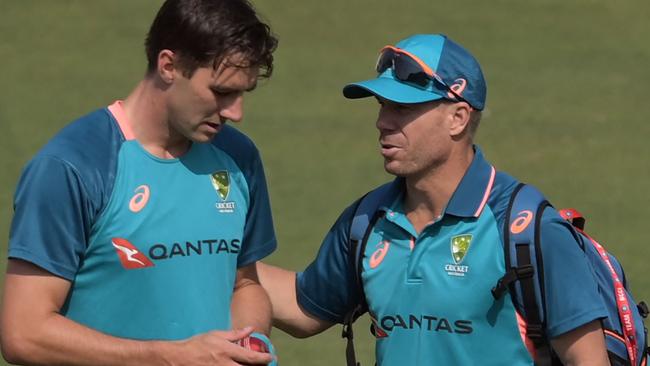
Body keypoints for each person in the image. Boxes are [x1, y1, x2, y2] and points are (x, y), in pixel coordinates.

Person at [258, 34, 611, 365]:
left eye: (402, 108)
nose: (382, 122)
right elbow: (304, 307)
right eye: (383, 105)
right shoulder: (367, 221)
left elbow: (589, 359)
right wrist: (219, 257)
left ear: (457, 118)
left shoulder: (528, 229)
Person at [1, 0, 279, 365]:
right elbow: (24, 333)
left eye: (244, 94)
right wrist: (167, 358)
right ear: (169, 65)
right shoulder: (72, 167)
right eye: (221, 92)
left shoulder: (238, 158)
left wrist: (247, 343)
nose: (236, 113)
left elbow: (244, 284)